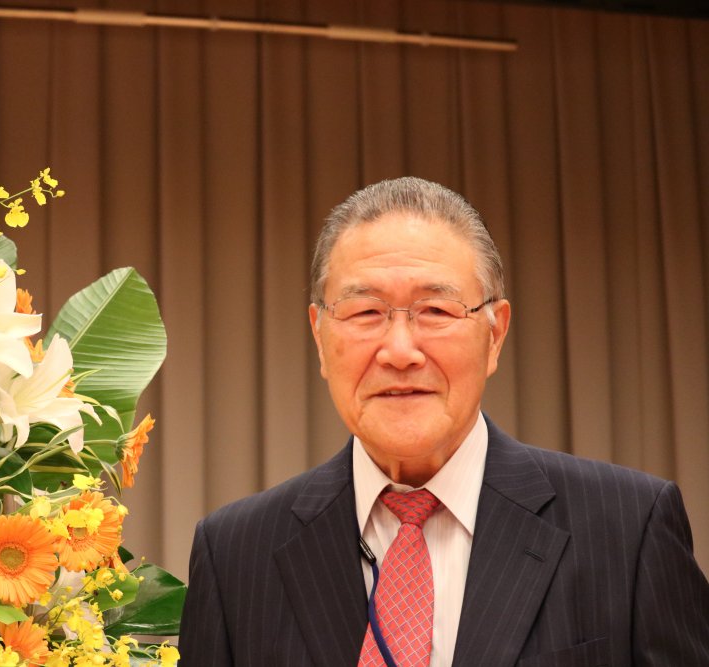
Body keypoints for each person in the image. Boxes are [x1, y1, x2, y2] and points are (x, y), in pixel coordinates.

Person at [178, 177, 709, 666]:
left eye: (436, 311)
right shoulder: (235, 554)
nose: (400, 351)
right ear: (320, 336)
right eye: (365, 312)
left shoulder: (629, 530)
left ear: (494, 335)